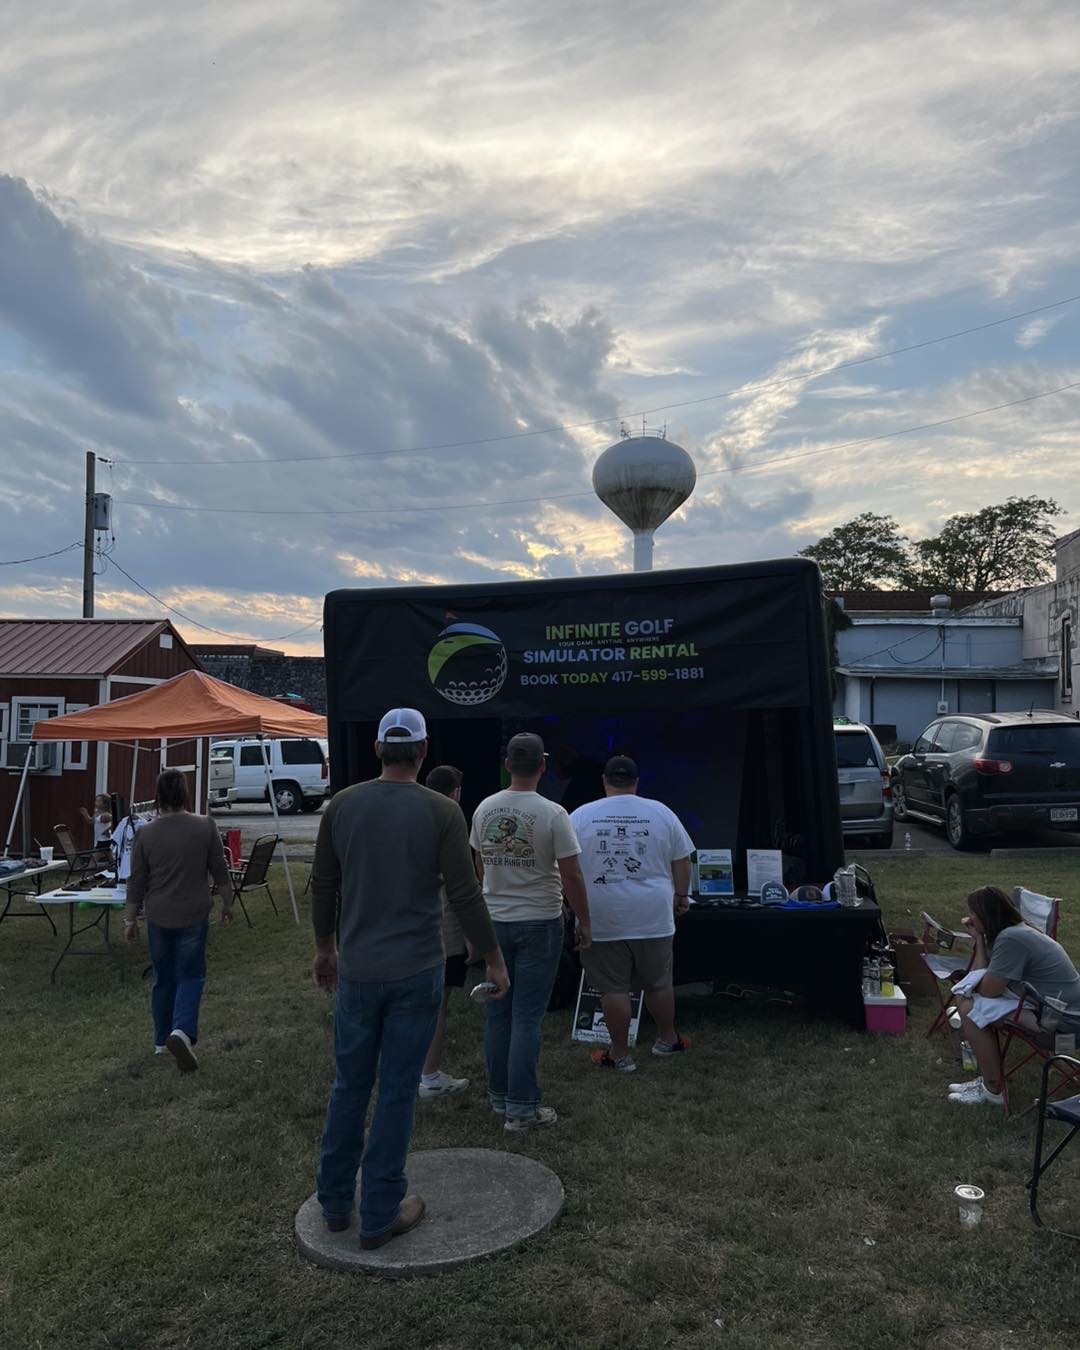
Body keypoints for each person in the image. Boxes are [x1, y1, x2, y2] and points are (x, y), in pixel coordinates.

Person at [310, 709, 509, 1250]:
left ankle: (333, 1202)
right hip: (417, 970)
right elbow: (465, 892)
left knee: (349, 1085)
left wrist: (325, 948)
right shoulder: (442, 810)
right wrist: (492, 956)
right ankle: (379, 1211)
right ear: (422, 752)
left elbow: (323, 883)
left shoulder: (343, 805)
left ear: (378, 749)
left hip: (358, 970)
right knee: (397, 1091)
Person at [471, 731, 591, 1132]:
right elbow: (572, 875)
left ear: (508, 764)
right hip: (540, 921)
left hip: (495, 922)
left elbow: (480, 865)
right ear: (542, 765)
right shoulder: (554, 813)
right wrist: (584, 920)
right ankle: (521, 1109)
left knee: (498, 1013)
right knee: (526, 1017)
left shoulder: (484, 809)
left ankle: (500, 1097)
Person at [570, 756, 695, 1071]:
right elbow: (682, 860)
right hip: (653, 914)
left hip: (601, 914)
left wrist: (570, 906)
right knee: (658, 982)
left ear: (604, 780)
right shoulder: (660, 812)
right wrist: (682, 895)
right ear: (637, 782)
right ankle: (668, 1039)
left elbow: (567, 867)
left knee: (613, 988)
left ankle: (620, 1053)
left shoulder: (581, 816)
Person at [124, 769, 235, 1073]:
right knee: (191, 974)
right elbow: (219, 868)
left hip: (159, 916)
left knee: (163, 978)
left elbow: (137, 880)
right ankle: (182, 1031)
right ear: (185, 794)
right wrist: (228, 903)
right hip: (194, 914)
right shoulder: (205, 825)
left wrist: (130, 920)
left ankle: (161, 1041)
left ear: (158, 797)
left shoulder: (145, 834)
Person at [947, 885, 1080, 1107]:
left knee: (970, 1010)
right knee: (968, 1000)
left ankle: (993, 1090)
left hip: (1063, 1025)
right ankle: (988, 1081)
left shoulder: (1012, 939)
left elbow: (988, 988)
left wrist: (976, 982)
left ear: (987, 916)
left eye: (973, 913)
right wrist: (979, 939)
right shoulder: (1017, 930)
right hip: (1057, 1011)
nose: (969, 918)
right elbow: (981, 978)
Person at [418, 764, 472, 1099]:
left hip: (409, 925)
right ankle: (430, 1075)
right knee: (437, 1004)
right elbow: (460, 887)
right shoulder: (450, 819)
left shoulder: (406, 816)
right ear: (456, 793)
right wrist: (473, 935)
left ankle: (412, 1071)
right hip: (443, 928)